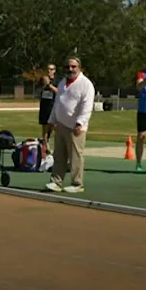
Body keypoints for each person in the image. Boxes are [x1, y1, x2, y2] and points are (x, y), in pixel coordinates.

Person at [45, 57, 95, 193]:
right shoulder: (62, 83)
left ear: (80, 68)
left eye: (73, 67)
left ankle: (77, 183)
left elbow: (87, 105)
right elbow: (58, 103)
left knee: (75, 156)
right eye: (67, 67)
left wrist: (80, 122)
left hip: (76, 127)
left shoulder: (86, 84)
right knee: (59, 155)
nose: (70, 69)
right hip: (61, 124)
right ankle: (56, 181)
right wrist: (52, 119)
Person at [39, 64, 59, 153]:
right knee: (45, 126)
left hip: (54, 105)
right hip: (44, 105)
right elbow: (38, 90)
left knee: (54, 126)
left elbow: (58, 91)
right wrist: (43, 84)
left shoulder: (57, 80)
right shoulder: (42, 79)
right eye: (47, 69)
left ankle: (58, 145)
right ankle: (46, 145)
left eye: (51, 69)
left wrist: (49, 84)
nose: (49, 71)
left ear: (54, 70)